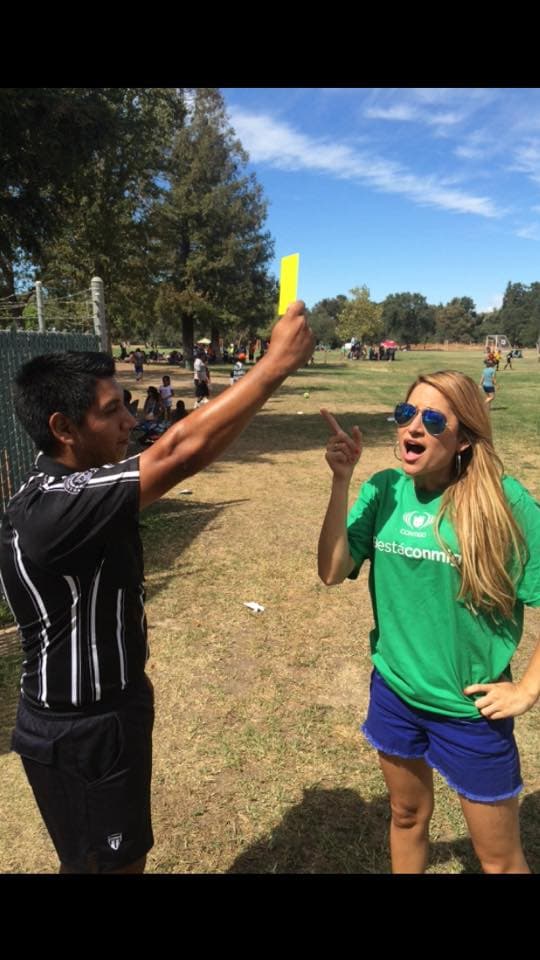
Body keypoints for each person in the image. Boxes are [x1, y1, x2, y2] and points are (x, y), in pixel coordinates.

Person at [0, 300, 314, 874]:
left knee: (110, 857)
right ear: (63, 428)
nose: (128, 421)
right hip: (82, 730)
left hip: (105, 714)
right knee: (108, 866)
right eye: (110, 410)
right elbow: (177, 452)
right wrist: (272, 367)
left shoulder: (68, 489)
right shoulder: (56, 510)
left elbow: (189, 454)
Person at [318, 370, 540, 874]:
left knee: (499, 860)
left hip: (469, 712)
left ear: (463, 437)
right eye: (406, 414)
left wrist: (527, 690)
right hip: (395, 694)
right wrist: (340, 482)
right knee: (406, 814)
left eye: (433, 419)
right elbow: (332, 571)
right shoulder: (384, 491)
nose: (413, 428)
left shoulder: (504, 502)